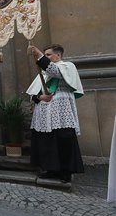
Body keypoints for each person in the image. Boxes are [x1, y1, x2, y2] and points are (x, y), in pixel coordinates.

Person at [27, 44, 84, 183]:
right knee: (47, 141)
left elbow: (55, 71)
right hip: (44, 113)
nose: (46, 57)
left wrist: (39, 55)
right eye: (45, 55)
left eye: (49, 55)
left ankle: (66, 172)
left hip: (61, 111)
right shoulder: (43, 73)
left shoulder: (67, 67)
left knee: (63, 140)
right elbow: (32, 95)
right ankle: (51, 169)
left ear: (58, 55)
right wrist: (40, 97)